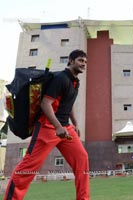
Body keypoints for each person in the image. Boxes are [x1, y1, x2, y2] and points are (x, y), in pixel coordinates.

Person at [4, 49, 90, 200]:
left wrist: (75, 124)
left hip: (66, 128)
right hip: (47, 127)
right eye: (80, 60)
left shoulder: (75, 82)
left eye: (85, 61)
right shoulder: (60, 78)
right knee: (28, 168)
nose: (84, 64)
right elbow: (45, 104)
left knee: (82, 158)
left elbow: (68, 103)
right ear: (70, 61)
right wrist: (57, 127)